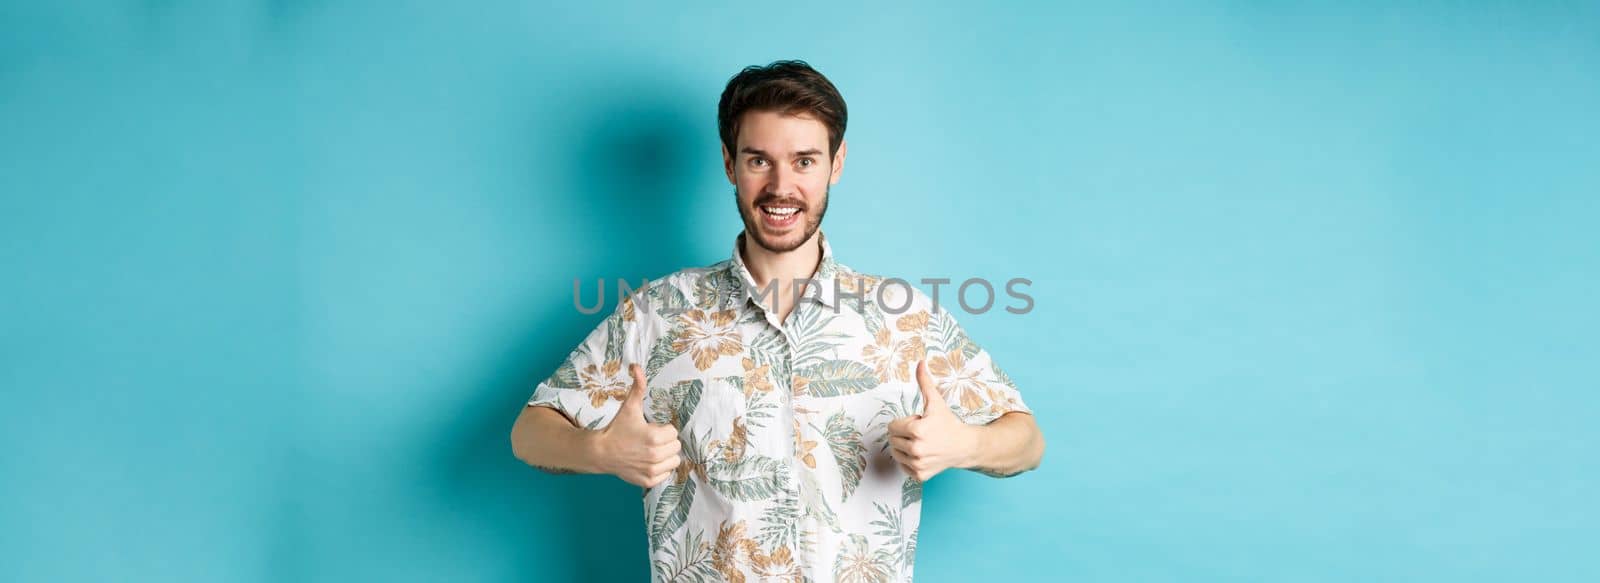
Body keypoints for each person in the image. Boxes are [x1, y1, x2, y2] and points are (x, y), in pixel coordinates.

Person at [510, 59, 1045, 582]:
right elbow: (530, 432)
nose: (781, 187)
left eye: (805, 161)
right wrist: (600, 451)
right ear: (729, 164)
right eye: (759, 160)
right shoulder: (656, 312)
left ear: (836, 164)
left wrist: (965, 445)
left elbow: (1027, 441)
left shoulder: (904, 317)